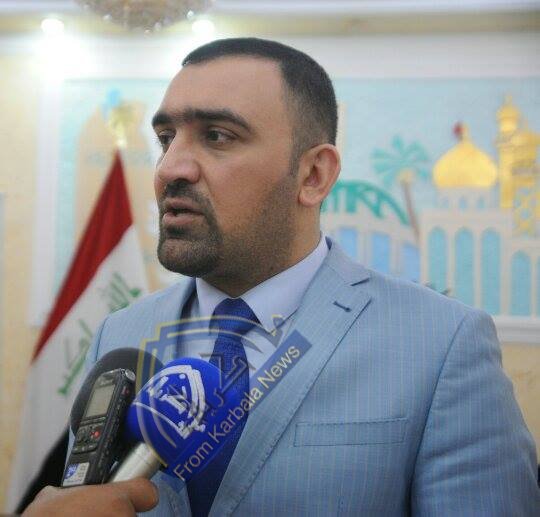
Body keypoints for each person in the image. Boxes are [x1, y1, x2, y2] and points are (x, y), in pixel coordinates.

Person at [28, 37, 539, 516]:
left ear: (313, 175)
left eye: (217, 136)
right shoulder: (119, 337)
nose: (169, 168)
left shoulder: (441, 343)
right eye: (166, 138)